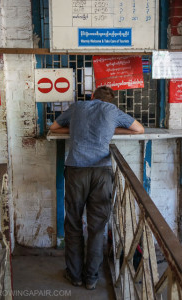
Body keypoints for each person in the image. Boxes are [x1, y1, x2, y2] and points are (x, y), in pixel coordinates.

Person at [50, 86, 144, 290]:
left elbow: (54, 127)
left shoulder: (77, 107)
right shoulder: (112, 111)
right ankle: (91, 279)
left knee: (73, 222)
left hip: (76, 170)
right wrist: (110, 129)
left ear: (92, 97)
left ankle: (74, 275)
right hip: (101, 172)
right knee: (97, 227)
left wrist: (76, 129)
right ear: (110, 102)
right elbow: (139, 129)